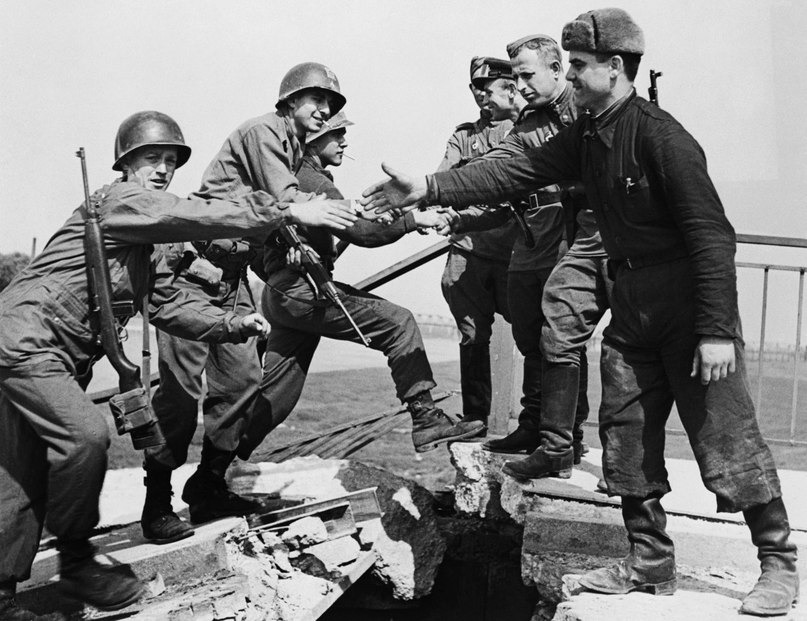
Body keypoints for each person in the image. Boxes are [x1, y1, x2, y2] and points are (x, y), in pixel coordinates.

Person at [361, 8, 798, 616]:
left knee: (724, 435)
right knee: (625, 435)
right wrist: (430, 188)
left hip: (684, 306)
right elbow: (514, 169)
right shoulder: (587, 134)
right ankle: (649, 562)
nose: (569, 74)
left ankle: (778, 564)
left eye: (578, 64)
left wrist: (717, 329)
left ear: (614, 68)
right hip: (632, 304)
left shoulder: (662, 137)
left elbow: (711, 236)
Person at [0, 110, 356, 619]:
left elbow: (167, 304)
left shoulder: (148, 245)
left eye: (171, 160)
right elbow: (195, 214)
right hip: (27, 337)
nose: (164, 168)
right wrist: (287, 211)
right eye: (152, 158)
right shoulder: (120, 202)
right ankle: (77, 560)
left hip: (51, 349)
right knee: (85, 438)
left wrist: (232, 324)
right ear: (126, 164)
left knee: (22, 468)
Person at [236, 105, 483, 461]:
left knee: (277, 395)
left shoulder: (289, 177)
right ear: (314, 140)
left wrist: (279, 269)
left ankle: (216, 466)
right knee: (399, 323)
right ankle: (426, 418)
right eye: (336, 134)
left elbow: (259, 245)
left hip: (284, 297)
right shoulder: (311, 180)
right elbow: (363, 232)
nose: (344, 141)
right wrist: (414, 220)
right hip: (305, 292)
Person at [435, 37, 592, 476]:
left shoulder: (581, 109)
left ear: (556, 70)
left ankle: (567, 435)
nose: (520, 86)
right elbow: (496, 171)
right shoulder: (526, 123)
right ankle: (531, 425)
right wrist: (435, 197)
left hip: (563, 232)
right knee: (527, 333)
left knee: (560, 336)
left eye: (526, 76)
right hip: (527, 234)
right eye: (516, 78)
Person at [437, 56, 519, 437]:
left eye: (488, 88)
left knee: (537, 332)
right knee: (472, 335)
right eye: (476, 89)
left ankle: (552, 426)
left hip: (514, 252)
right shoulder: (464, 137)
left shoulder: (521, 129)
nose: (481, 96)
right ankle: (475, 417)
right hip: (469, 249)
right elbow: (442, 178)